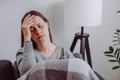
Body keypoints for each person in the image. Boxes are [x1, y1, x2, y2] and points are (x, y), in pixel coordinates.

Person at [16, 10, 75, 76]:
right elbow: (27, 75)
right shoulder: (23, 53)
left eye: (40, 26)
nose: (38, 31)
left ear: (47, 24)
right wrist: (26, 38)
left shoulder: (65, 53)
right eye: (32, 30)